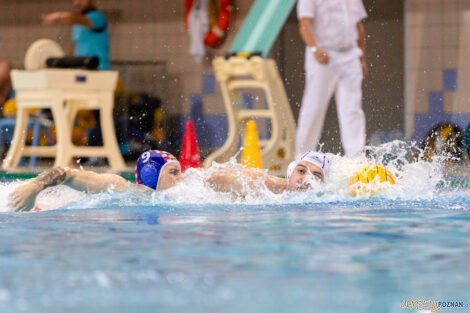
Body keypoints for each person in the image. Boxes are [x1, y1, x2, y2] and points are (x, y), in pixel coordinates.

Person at [8, 150, 330, 212]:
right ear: (150, 177)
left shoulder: (194, 188)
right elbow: (70, 174)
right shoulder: (123, 189)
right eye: (173, 172)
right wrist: (33, 186)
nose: (184, 176)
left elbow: (247, 179)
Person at [296, 0, 368, 158]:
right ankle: (302, 158)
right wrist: (315, 49)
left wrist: (362, 58)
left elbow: (358, 26)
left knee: (352, 108)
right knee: (314, 107)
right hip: (323, 54)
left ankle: (356, 158)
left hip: (350, 55)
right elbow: (304, 24)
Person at [41, 0, 110, 70]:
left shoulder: (98, 17)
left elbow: (80, 20)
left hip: (98, 69)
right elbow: (74, 47)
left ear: (92, 1)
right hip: (81, 70)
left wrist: (58, 15)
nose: (77, 3)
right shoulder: (77, 25)